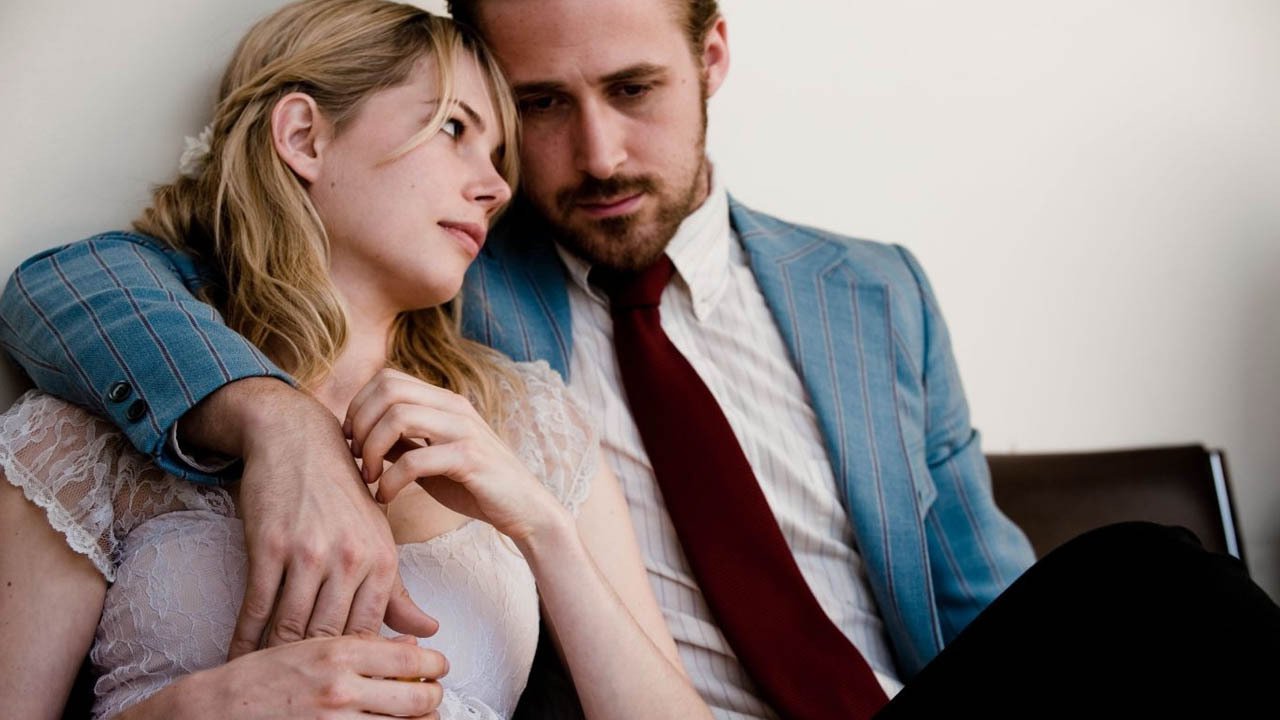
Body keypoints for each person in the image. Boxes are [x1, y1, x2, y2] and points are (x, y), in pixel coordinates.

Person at [3, 0, 1279, 718]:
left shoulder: (874, 293)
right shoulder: (456, 276)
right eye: (538, 109)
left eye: (633, 89)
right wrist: (273, 419)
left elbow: (986, 608)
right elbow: (79, 284)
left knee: (1150, 587)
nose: (593, 157)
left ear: (709, 57)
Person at [0, 1, 715, 719]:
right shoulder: (86, 431)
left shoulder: (533, 423)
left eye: (499, 156)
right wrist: (186, 712)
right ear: (304, 137)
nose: (498, 188)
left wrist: (543, 529)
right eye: (454, 129)